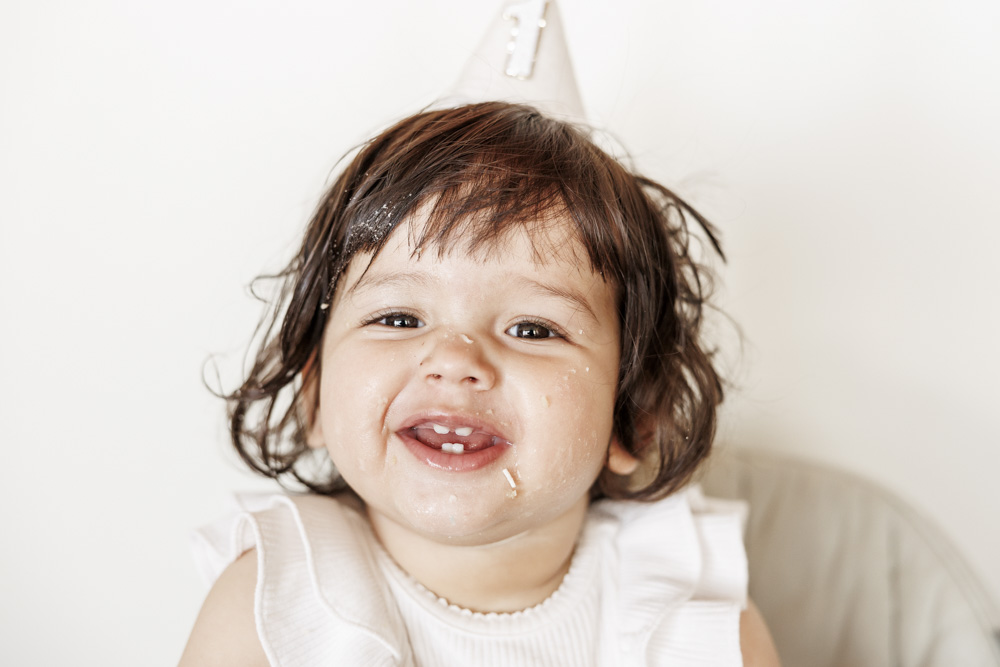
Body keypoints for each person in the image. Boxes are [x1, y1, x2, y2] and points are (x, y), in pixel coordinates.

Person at [178, 101, 780, 666]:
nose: (454, 359)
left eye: (532, 329)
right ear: (313, 393)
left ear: (636, 416)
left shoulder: (691, 615)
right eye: (399, 318)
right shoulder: (273, 607)